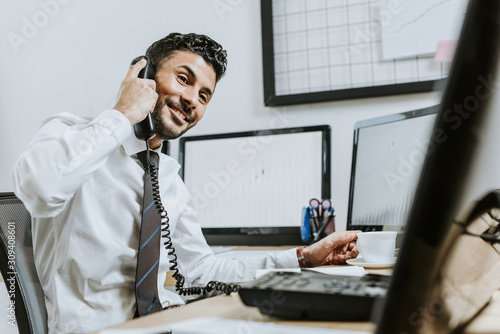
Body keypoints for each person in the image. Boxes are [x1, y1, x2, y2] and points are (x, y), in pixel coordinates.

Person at [12, 32, 359, 334]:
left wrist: (302, 258)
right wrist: (122, 114)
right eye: (183, 79)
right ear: (144, 75)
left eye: (204, 95)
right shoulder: (71, 135)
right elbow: (40, 190)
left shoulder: (167, 177)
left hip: (169, 324)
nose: (193, 99)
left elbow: (201, 269)